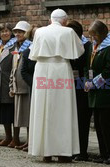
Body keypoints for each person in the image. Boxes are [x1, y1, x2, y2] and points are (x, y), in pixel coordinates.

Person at [28, 8, 84, 163]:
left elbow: (32, 53)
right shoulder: (68, 32)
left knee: (43, 108)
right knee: (62, 109)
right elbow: (80, 50)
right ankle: (63, 152)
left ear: (50, 19)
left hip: (42, 69)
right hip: (61, 69)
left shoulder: (39, 31)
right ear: (65, 21)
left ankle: (45, 151)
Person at [84, 20, 110, 165]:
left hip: (106, 92)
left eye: (94, 35)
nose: (92, 38)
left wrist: (93, 83)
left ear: (102, 34)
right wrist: (86, 82)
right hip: (94, 92)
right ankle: (103, 153)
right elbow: (88, 67)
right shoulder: (94, 47)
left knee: (107, 124)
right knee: (98, 125)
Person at [66, 20, 92, 162]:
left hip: (82, 86)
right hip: (68, 86)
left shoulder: (87, 46)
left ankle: (82, 151)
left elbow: (88, 67)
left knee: (82, 120)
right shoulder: (67, 45)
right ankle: (71, 149)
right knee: (70, 119)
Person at [0, 23, 16, 147]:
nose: (5, 33)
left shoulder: (15, 46)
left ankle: (15, 138)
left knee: (12, 111)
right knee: (4, 112)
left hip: (8, 82)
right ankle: (7, 137)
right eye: (2, 31)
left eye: (7, 31)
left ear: (11, 32)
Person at [9, 21, 32, 148]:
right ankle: (17, 139)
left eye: (21, 32)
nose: (17, 34)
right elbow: (14, 67)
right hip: (17, 86)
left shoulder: (30, 47)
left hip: (26, 85)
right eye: (16, 32)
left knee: (28, 115)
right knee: (18, 115)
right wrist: (12, 85)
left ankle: (30, 141)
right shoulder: (17, 47)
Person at [16, 25, 38, 152]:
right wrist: (34, 84)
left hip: (45, 86)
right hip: (32, 86)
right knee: (30, 115)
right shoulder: (27, 51)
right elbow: (24, 71)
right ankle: (30, 141)